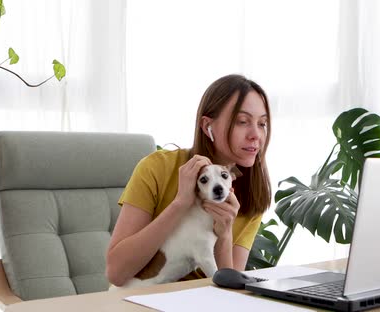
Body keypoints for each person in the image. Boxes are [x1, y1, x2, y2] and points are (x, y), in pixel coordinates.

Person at [106, 74, 272, 287]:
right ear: (207, 126)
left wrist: (225, 234)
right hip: (137, 300)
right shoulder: (157, 168)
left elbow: (229, 287)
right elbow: (116, 273)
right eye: (242, 122)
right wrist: (180, 204)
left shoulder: (250, 193)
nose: (255, 135)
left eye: (263, 124)